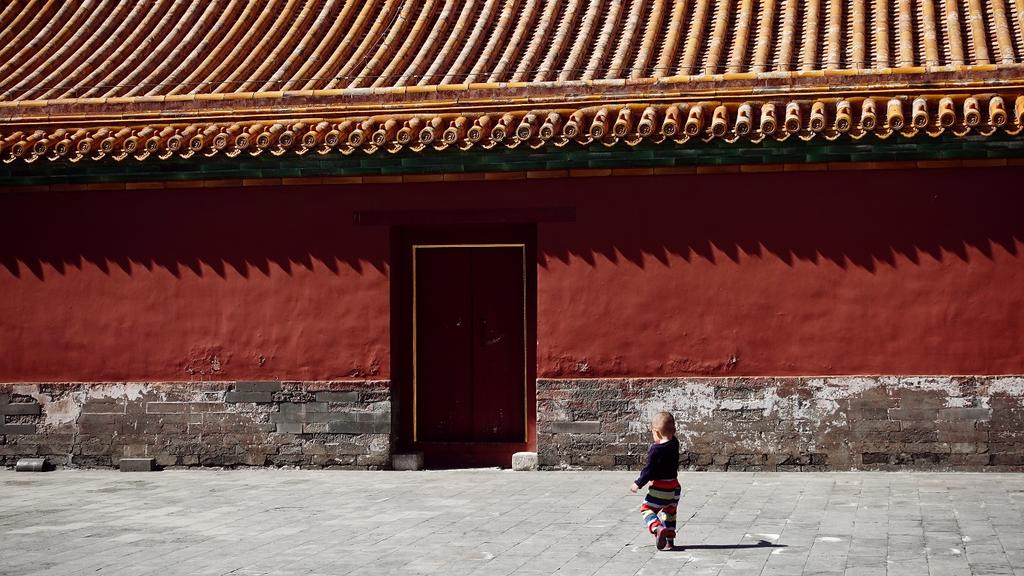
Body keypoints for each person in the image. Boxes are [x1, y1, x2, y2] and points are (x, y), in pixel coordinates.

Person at [629, 411, 680, 551]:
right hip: (674, 487)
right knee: (670, 513)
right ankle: (670, 541)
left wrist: (638, 483)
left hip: (660, 487)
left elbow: (648, 470)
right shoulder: (675, 444)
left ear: (656, 432)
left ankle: (657, 528)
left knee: (646, 509)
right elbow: (670, 435)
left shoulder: (655, 450)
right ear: (673, 431)